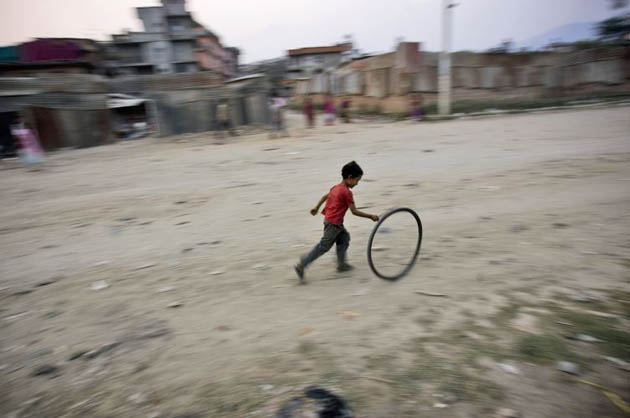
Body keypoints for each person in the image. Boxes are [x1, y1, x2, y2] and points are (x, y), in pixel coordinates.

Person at [294, 161, 379, 284]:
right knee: (323, 247)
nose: (357, 183)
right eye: (357, 180)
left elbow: (325, 196)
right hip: (333, 225)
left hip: (332, 222)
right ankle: (302, 264)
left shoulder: (336, 187)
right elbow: (354, 211)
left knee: (344, 239)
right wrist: (371, 216)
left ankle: (342, 265)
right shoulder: (347, 192)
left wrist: (316, 208)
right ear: (350, 178)